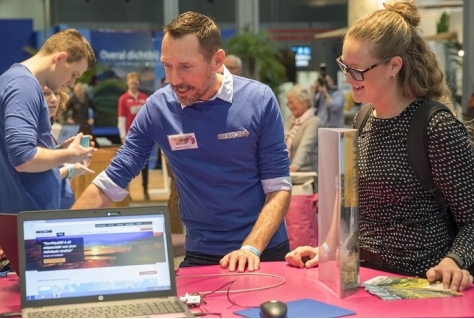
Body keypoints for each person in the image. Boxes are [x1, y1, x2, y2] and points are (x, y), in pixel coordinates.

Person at [72, 11, 292, 273]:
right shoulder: (158, 108)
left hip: (264, 249)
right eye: (167, 66)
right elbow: (110, 182)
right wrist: (61, 239)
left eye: (185, 67)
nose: (173, 80)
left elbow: (278, 187)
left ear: (217, 60)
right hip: (201, 252)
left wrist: (250, 248)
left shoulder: (258, 99)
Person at [285, 1, 474, 292]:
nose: (348, 78)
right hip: (366, 282)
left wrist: (454, 260)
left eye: (357, 70)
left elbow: (471, 219)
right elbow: (347, 199)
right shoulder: (362, 120)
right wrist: (326, 250)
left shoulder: (435, 127)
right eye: (344, 66)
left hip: (423, 285)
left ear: (394, 66)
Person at [0, 28, 96, 213]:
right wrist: (70, 156)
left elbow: (17, 149)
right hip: (25, 215)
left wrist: (58, 151)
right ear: (60, 58)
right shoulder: (23, 86)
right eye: (74, 74)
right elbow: (23, 159)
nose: (71, 83)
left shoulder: (16, 80)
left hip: (25, 211)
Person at [43, 86, 94, 208]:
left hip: (61, 203)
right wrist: (70, 169)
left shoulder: (47, 131)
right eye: (46, 93)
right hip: (46, 207)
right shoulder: (33, 132)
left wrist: (67, 155)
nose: (53, 99)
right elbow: (40, 178)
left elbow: (53, 171)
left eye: (56, 93)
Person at [117, 72, 150, 200]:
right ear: (127, 82)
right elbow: (121, 119)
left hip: (145, 137)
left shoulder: (144, 97)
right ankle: (127, 193)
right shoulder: (123, 99)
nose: (134, 83)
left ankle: (145, 190)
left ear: (139, 83)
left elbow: (148, 117)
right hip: (130, 138)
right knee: (129, 166)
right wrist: (122, 136)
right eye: (131, 81)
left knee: (145, 166)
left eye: (136, 81)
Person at [284, 85, 320, 177]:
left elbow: (305, 147)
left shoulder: (313, 122)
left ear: (305, 102)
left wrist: (293, 168)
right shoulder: (289, 120)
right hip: (288, 173)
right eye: (288, 103)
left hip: (305, 175)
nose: (290, 106)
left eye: (292, 102)